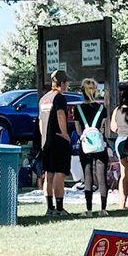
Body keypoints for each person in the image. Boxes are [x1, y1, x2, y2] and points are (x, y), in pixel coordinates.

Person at [39, 69, 72, 216]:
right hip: (58, 139)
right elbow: (60, 114)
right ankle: (59, 208)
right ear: (62, 83)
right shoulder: (59, 98)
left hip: (46, 141)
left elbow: (40, 121)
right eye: (67, 83)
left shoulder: (44, 98)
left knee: (49, 174)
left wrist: (44, 136)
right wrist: (65, 134)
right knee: (59, 173)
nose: (68, 86)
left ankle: (49, 208)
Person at [75, 77, 110, 217]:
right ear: (95, 92)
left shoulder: (78, 109)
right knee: (102, 177)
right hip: (99, 145)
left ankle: (89, 210)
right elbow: (103, 127)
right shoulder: (102, 108)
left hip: (86, 146)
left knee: (87, 176)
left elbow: (78, 129)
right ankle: (103, 209)